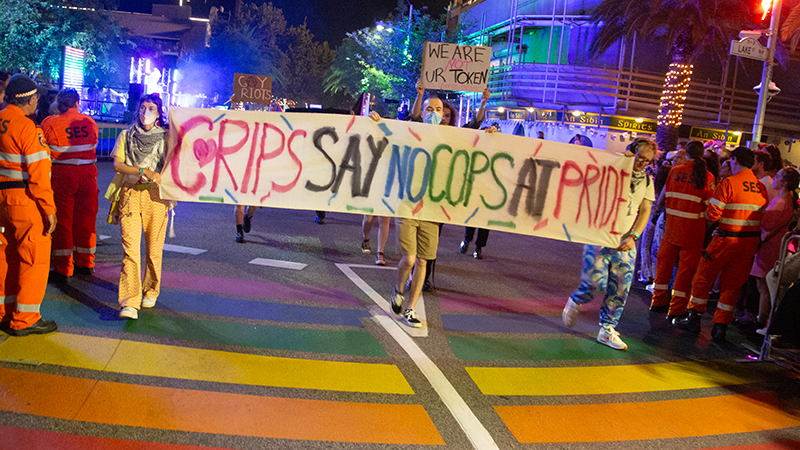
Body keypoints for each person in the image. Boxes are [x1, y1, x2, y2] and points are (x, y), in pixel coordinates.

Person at [562, 138, 657, 350]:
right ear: (631, 152)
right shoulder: (612, 169)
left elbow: (645, 211)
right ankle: (577, 299)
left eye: (647, 160)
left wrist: (633, 236)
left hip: (624, 240)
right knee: (594, 283)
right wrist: (619, 162)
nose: (642, 163)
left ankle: (607, 328)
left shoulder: (647, 181)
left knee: (621, 285)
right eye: (640, 157)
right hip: (599, 235)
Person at [673, 146, 769, 341]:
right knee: (732, 285)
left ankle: (694, 319)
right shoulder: (761, 187)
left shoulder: (729, 183)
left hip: (725, 239)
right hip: (749, 243)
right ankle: (720, 327)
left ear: (735, 160)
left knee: (702, 277)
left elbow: (713, 214)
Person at [0, 75, 58, 336]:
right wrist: (49, 209)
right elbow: (38, 174)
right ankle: (25, 319)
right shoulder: (28, 127)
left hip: (2, 200)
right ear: (30, 99)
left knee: (5, 256)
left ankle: (4, 312)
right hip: (24, 200)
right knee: (34, 257)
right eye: (37, 97)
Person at [112, 94, 171, 320]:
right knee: (130, 250)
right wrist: (142, 171)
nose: (146, 112)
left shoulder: (166, 137)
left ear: (159, 113)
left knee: (154, 250)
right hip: (130, 194)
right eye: (143, 107)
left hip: (156, 197)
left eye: (152, 108)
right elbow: (118, 165)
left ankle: (151, 290)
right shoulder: (126, 136)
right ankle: (129, 302)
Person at [649, 141, 715, 320]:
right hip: (693, 230)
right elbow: (709, 207)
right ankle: (677, 309)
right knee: (685, 271)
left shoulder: (675, 171)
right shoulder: (707, 176)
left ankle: (658, 302)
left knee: (664, 266)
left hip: (672, 227)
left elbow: (664, 197)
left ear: (687, 154)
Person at [41, 88, 99, 279]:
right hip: (88, 174)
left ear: (58, 104)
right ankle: (86, 262)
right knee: (86, 219)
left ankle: (63, 267)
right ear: (77, 103)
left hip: (62, 173)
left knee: (63, 221)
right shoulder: (89, 122)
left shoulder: (49, 123)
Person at [752, 168, 799, 334]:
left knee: (765, 285)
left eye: (777, 176)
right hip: (776, 244)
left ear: (784, 183)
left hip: (770, 245)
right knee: (767, 285)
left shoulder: (781, 202)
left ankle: (764, 321)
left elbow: (765, 222)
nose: (774, 178)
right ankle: (764, 320)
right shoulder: (788, 200)